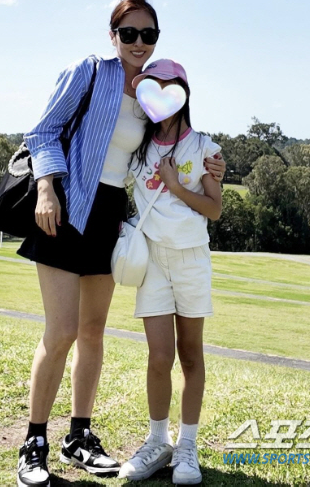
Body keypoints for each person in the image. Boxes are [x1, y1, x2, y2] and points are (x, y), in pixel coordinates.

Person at [14, 0, 226, 487]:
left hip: (110, 216)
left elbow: (175, 143)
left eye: (148, 33)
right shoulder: (90, 72)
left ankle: (79, 437)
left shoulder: (153, 94)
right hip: (65, 205)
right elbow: (42, 132)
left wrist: (211, 165)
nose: (138, 41)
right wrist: (45, 189)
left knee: (92, 332)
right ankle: (34, 443)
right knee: (61, 332)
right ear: (113, 35)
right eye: (128, 32)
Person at [118, 59, 222, 485]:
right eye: (150, 87)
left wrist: (177, 185)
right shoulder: (137, 148)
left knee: (191, 355)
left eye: (167, 86)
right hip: (152, 260)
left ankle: (187, 446)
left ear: (182, 93)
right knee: (159, 357)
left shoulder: (204, 148)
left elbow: (214, 209)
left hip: (191, 259)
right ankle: (157, 441)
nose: (158, 96)